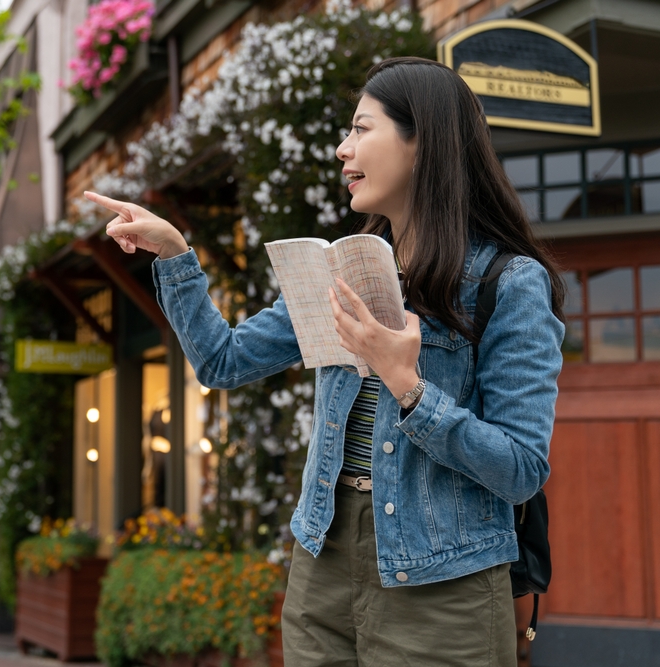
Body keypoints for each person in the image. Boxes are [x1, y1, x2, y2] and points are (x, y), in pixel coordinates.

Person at [84, 56, 565, 667]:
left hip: (445, 576)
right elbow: (223, 362)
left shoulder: (509, 282)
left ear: (425, 143)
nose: (343, 148)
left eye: (362, 129)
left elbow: (521, 468)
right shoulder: (347, 268)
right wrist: (176, 254)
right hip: (323, 557)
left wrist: (408, 386)